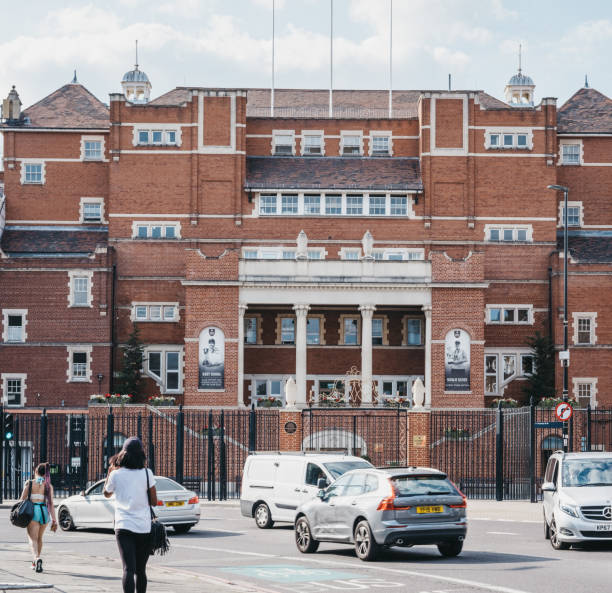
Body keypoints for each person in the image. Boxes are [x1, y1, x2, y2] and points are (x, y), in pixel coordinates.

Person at [104, 437, 157, 593]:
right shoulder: (147, 474)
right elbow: (154, 502)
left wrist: (110, 473)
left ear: (123, 454)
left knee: (128, 569)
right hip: (143, 527)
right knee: (140, 570)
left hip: (123, 526)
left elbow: (106, 493)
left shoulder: (116, 475)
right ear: (141, 454)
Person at [19, 462, 57, 573]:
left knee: (32, 539)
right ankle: (35, 562)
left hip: (33, 512)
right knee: (40, 538)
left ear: (36, 471)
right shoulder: (48, 486)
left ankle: (36, 559)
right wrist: (54, 520)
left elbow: (21, 500)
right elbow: (51, 504)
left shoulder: (29, 483)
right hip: (44, 513)